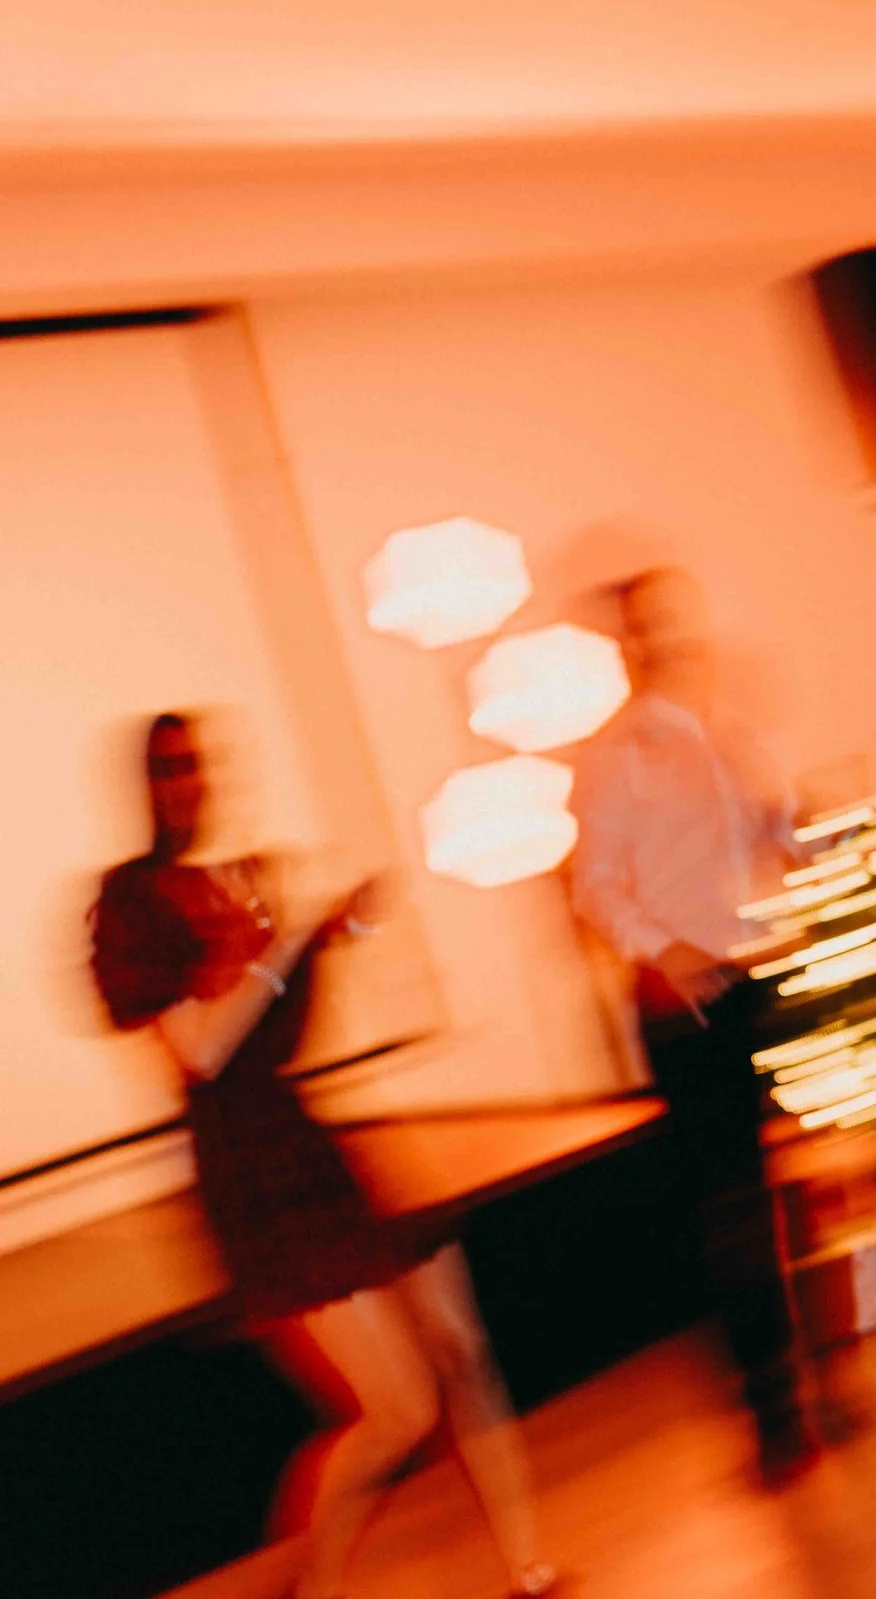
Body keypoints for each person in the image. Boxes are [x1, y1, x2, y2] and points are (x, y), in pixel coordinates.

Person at [89, 714, 557, 1599]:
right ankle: (313, 1580)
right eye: (172, 767)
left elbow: (279, 1034)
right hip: (250, 1171)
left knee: (459, 1348)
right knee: (400, 1409)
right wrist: (281, 946)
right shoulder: (132, 900)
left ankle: (526, 1566)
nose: (191, 782)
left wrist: (325, 935)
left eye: (199, 764)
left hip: (304, 1140)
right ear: (146, 782)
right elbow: (198, 1053)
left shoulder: (228, 884)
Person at [568, 566, 818, 1485]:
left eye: (672, 622)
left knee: (780, 1185)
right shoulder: (614, 754)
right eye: (646, 629)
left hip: (751, 977)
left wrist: (803, 833)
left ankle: (814, 1386)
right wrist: (661, 954)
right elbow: (593, 883)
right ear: (627, 644)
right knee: (732, 1215)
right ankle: (773, 1412)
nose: (666, 640)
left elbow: (767, 836)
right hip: (687, 1001)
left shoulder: (722, 733)